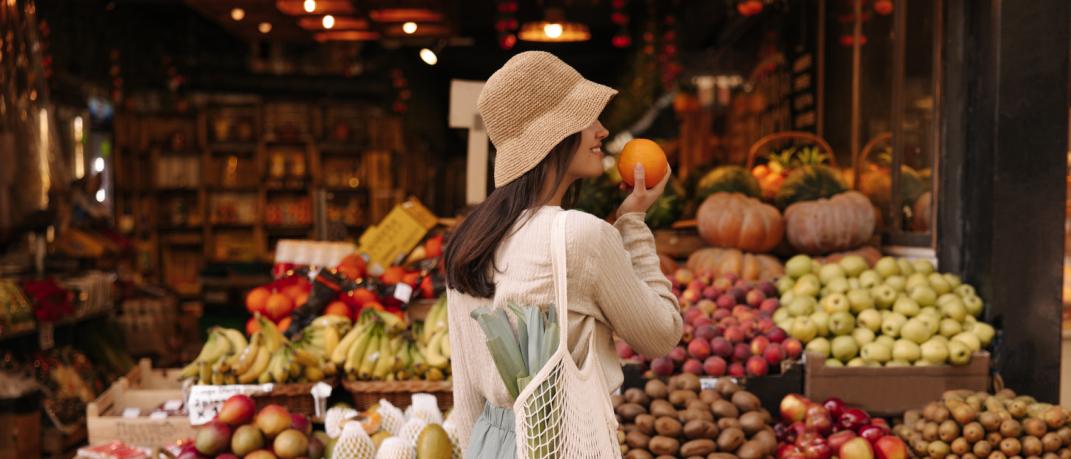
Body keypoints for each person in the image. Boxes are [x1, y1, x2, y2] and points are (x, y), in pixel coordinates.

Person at [443, 51, 683, 458]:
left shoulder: (470, 240)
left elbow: (465, 390)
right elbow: (662, 333)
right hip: (563, 442)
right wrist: (635, 224)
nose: (603, 130)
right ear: (555, 133)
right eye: (588, 116)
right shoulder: (579, 234)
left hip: (490, 443)